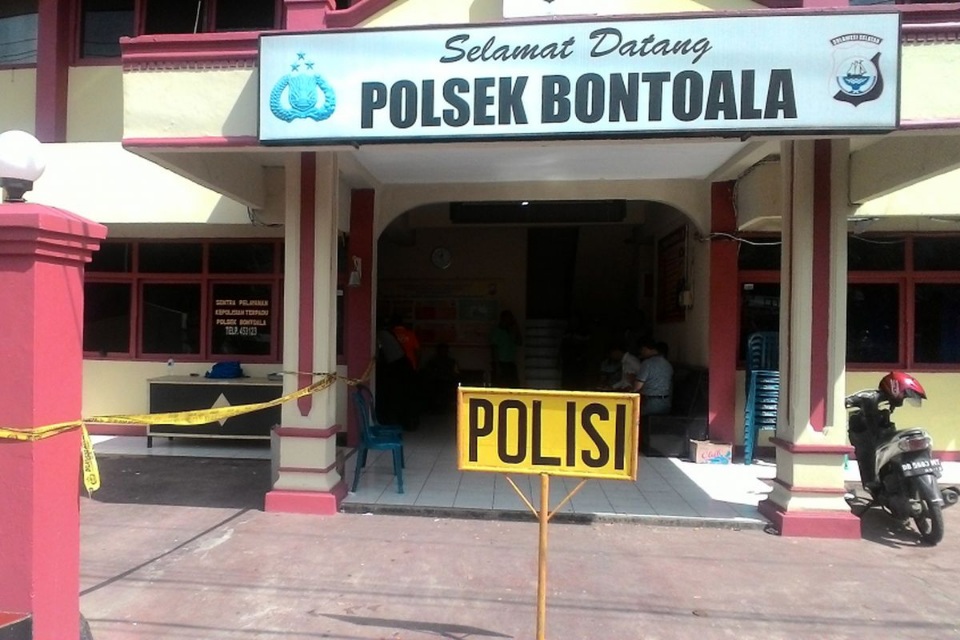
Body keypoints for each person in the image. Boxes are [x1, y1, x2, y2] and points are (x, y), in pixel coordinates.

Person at [636, 339, 673, 416]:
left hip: (650, 402)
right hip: (665, 402)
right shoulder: (667, 364)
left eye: (642, 350)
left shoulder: (647, 364)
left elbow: (637, 386)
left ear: (647, 349)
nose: (641, 352)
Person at [421, 342, 460, 414]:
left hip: (447, 383)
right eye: (441, 350)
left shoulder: (451, 362)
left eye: (444, 350)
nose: (443, 352)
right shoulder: (432, 361)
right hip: (435, 383)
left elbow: (456, 374)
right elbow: (428, 373)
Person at [490, 310, 522, 388]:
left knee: (514, 385)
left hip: (511, 362)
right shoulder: (497, 332)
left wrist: (516, 327)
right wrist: (497, 366)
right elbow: (494, 349)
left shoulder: (511, 332)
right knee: (501, 384)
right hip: (501, 363)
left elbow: (520, 342)